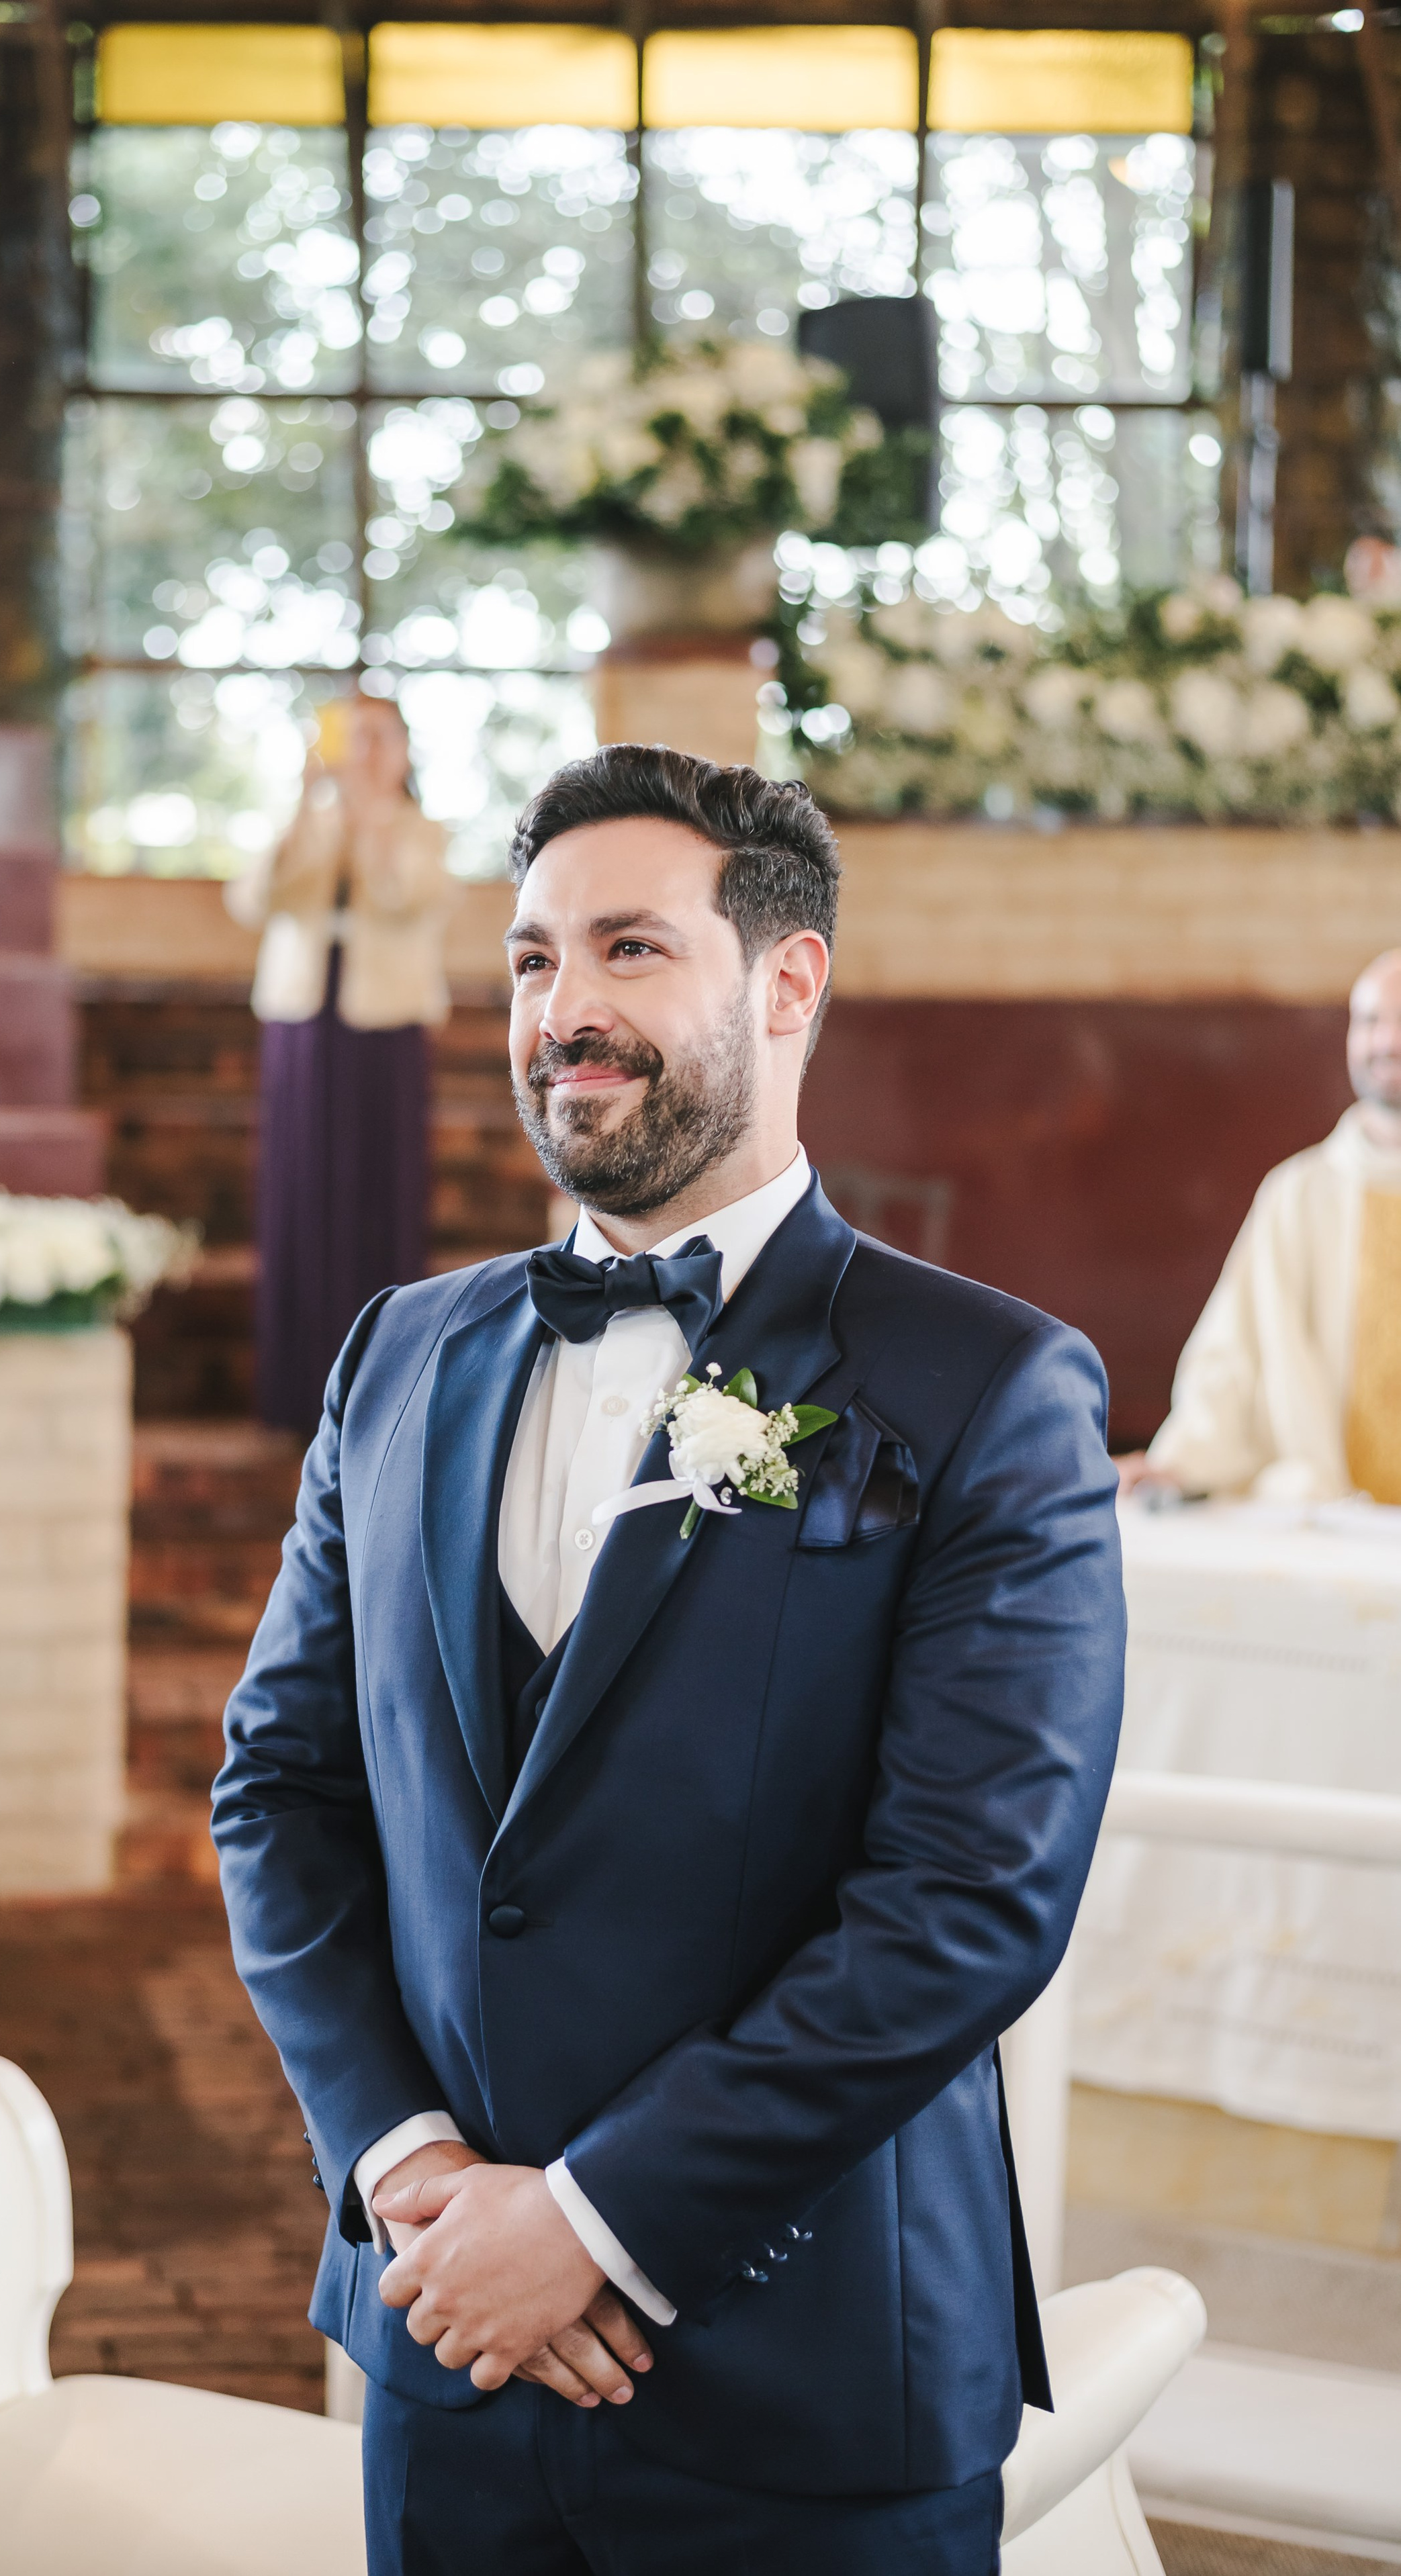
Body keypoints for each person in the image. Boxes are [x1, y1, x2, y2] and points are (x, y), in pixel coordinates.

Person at [212, 745, 1124, 2575]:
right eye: (535, 959)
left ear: (789, 984)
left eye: (631, 949)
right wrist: (413, 2172)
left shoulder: (989, 1387)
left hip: (810, 2376)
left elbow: (964, 1902)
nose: (566, 1010)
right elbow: (283, 1792)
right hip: (447, 2337)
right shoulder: (396, 1356)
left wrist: (599, 2217)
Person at [226, 691, 455, 1432]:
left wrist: (370, 820)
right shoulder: (307, 823)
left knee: (374, 1189)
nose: (364, 753)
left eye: (379, 739)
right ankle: (294, 1384)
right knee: (300, 1186)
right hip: (303, 1023)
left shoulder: (425, 832)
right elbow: (256, 898)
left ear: (405, 750)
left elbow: (403, 898)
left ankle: (379, 1384)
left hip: (383, 1028)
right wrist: (305, 801)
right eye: (351, 739)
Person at [1121, 948, 1401, 1506]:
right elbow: (1235, 1355)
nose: (1387, 1043)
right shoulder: (1298, 1194)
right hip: (1335, 1523)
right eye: (1371, 1021)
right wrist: (1176, 1463)